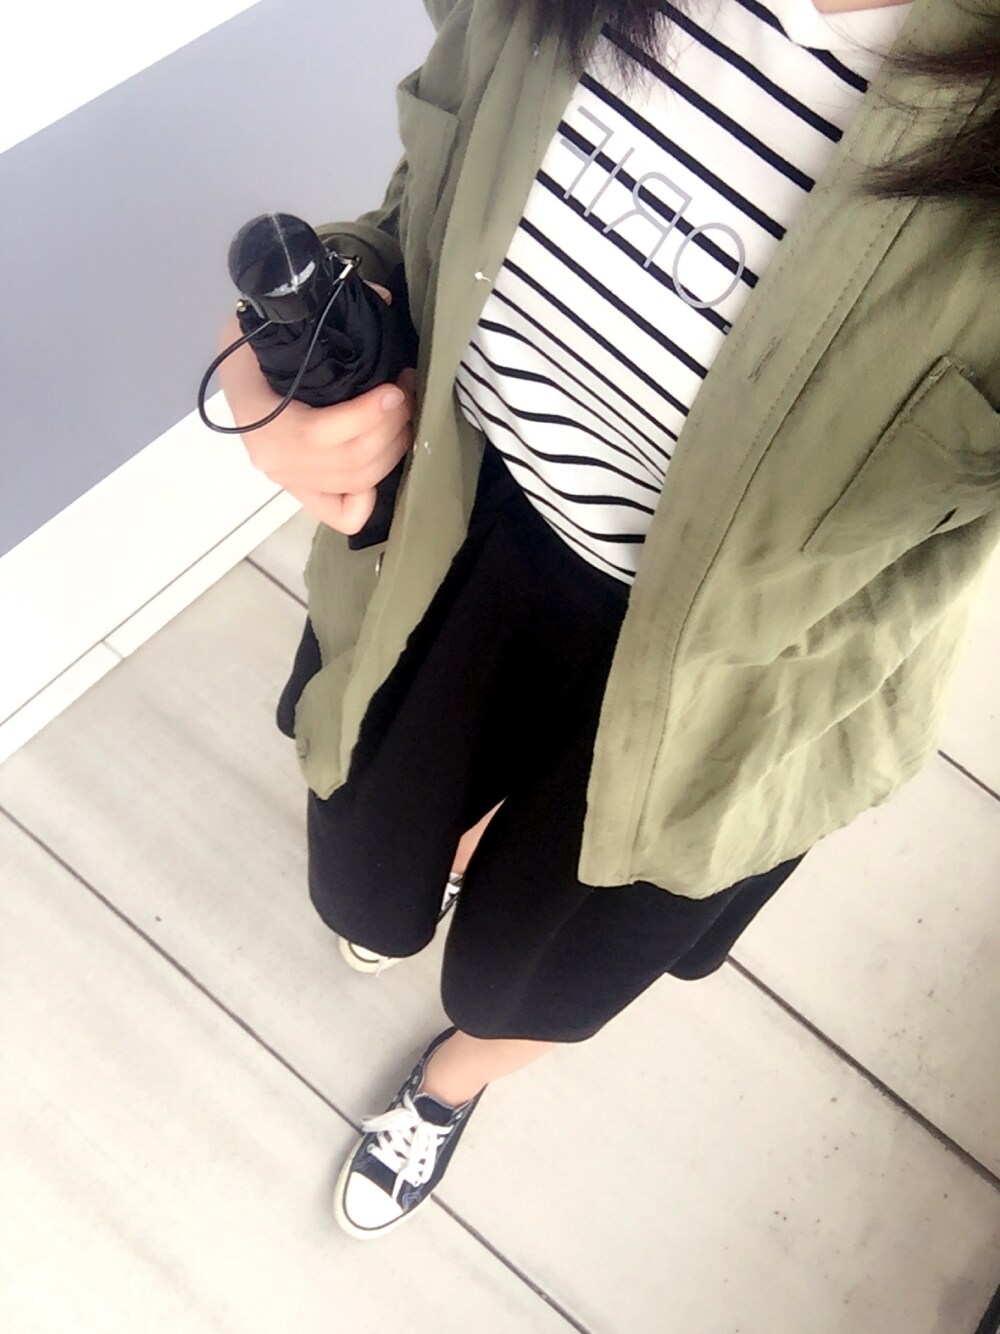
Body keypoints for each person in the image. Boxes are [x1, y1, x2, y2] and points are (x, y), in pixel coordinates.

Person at [217, 0, 1000, 1240]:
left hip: (747, 682)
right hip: (461, 534)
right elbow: (430, 201)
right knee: (365, 885)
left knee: (526, 982)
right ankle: (439, 868)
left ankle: (451, 1081)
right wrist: (291, 356)